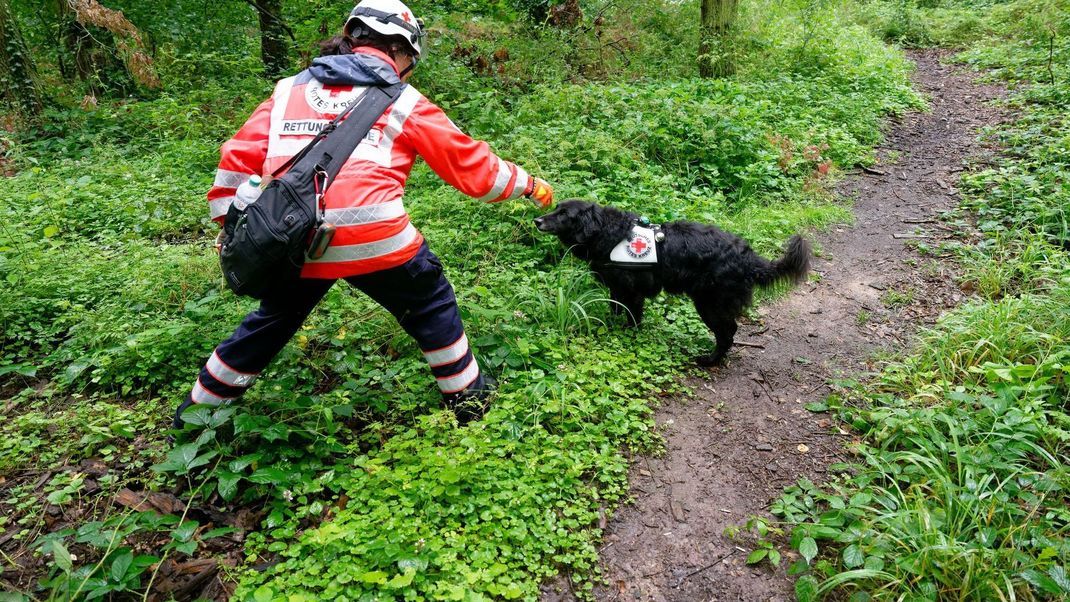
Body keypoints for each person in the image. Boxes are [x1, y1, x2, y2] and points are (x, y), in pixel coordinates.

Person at [174, 0, 554, 431]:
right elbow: (474, 170)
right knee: (431, 305)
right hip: (378, 240)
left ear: (353, 38)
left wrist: (233, 228)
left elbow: (235, 160)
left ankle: (193, 420)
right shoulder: (405, 100)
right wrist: (528, 184)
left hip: (294, 240)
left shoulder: (288, 90)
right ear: (399, 51)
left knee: (271, 322)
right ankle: (469, 404)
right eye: (410, 57)